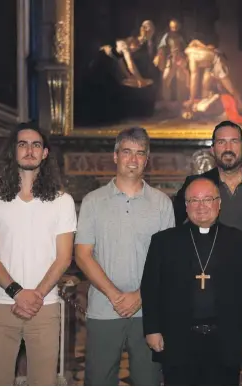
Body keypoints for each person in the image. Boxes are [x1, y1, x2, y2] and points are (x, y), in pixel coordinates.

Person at [173, 120, 242, 385]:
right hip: (207, 300)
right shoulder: (196, 185)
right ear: (213, 149)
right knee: (217, 375)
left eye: (233, 141)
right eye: (221, 142)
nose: (228, 147)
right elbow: (175, 236)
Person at [0, 123, 76, 385]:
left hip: (45, 306)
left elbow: (64, 257)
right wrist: (18, 293)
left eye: (36, 144)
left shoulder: (62, 201)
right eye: (23, 144)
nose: (29, 150)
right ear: (14, 151)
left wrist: (36, 295)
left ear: (44, 153)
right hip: (2, 304)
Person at [75, 127, 175, 386]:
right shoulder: (93, 201)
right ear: (115, 156)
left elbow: (169, 260)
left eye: (140, 154)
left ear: (147, 159)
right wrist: (115, 295)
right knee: (99, 380)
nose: (133, 159)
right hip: (104, 309)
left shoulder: (162, 203)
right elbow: (83, 255)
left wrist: (139, 297)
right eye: (127, 152)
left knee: (149, 380)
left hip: (150, 311)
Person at [141, 178, 242, 385]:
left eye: (208, 199)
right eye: (194, 200)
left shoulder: (241, 241)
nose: (201, 206)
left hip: (225, 338)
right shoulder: (164, 242)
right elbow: (151, 288)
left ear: (219, 203)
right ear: (186, 206)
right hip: (178, 338)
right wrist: (152, 329)